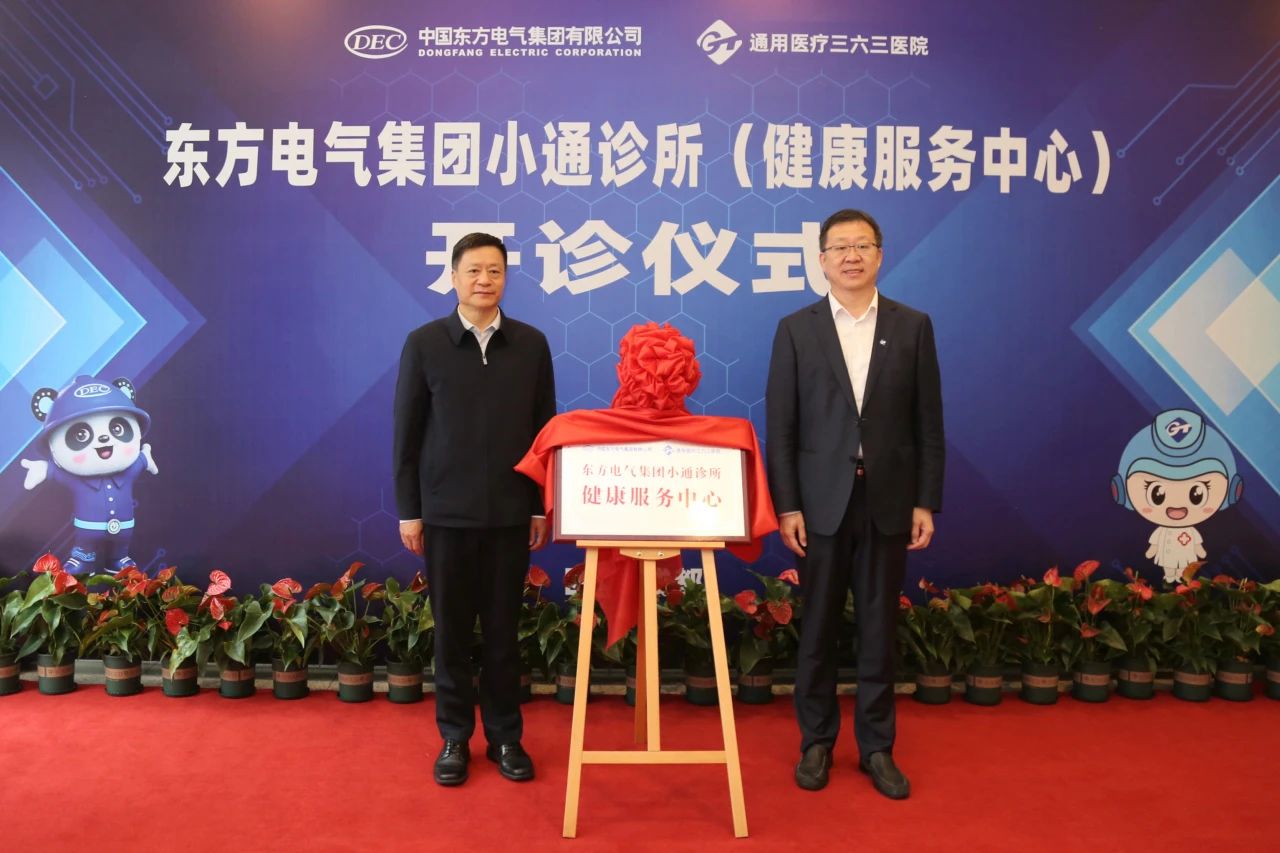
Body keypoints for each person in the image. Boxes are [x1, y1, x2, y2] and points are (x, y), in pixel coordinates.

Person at [765, 209, 944, 798]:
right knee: (817, 626)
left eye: (862, 245)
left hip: (887, 498)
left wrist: (925, 500)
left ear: (879, 255)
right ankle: (816, 742)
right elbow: (781, 428)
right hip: (820, 502)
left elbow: (929, 423)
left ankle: (877, 747)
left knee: (878, 628)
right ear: (821, 260)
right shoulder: (797, 329)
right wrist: (787, 505)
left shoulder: (913, 326)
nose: (851, 256)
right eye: (839, 246)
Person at [393, 232, 556, 787]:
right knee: (453, 635)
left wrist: (539, 506)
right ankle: (455, 737)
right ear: (454, 277)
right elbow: (406, 434)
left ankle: (507, 737)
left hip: (511, 516)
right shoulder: (425, 343)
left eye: (495, 271)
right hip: (446, 516)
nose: (484, 280)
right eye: (474, 270)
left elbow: (544, 431)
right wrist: (410, 511)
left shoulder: (530, 344)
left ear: (506, 278)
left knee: (505, 634)